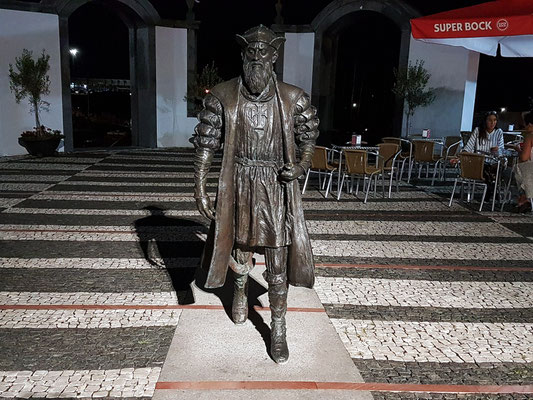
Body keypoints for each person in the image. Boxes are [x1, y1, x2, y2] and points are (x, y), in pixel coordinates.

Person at [191, 25, 319, 364]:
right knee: (242, 249)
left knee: (278, 262)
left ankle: (278, 328)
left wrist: (302, 166)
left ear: (275, 57)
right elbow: (206, 143)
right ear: (243, 55)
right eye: (252, 53)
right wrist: (200, 186)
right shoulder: (222, 95)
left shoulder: (293, 98)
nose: (257, 59)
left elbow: (309, 137)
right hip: (240, 181)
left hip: (276, 186)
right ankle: (239, 290)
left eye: (264, 53)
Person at [463, 111, 505, 187]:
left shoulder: (499, 132)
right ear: (485, 121)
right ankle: (491, 188)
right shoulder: (478, 131)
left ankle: (491, 187)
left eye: (495, 120)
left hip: (493, 162)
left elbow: (501, 150)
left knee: (499, 166)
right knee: (485, 168)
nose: (492, 122)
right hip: (480, 162)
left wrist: (498, 149)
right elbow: (469, 146)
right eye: (490, 120)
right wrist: (460, 157)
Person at [512, 111, 533, 212]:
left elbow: (524, 157)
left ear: (529, 124)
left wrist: (518, 150)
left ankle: (524, 197)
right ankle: (525, 198)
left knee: (517, 169)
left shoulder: (530, 136)